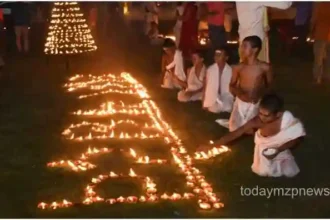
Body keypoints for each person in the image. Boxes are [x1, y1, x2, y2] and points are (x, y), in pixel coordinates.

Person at [198, 94, 306, 178]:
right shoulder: (256, 122)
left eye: (266, 116)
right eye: (260, 113)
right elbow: (236, 133)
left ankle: (283, 155)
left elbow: (296, 139)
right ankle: (275, 157)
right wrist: (212, 146)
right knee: (263, 172)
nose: (262, 117)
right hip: (264, 147)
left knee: (290, 172)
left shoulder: (287, 119)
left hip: (282, 145)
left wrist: (278, 149)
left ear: (278, 114)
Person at [229, 36, 272, 132]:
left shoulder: (264, 67)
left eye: (245, 46)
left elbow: (270, 85)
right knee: (233, 128)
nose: (241, 49)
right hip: (241, 102)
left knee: (252, 129)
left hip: (255, 102)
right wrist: (240, 93)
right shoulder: (238, 67)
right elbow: (232, 85)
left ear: (255, 49)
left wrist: (259, 94)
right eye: (241, 46)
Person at [203, 48, 233, 113]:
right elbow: (205, 86)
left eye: (219, 55)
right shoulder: (210, 70)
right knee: (214, 109)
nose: (216, 57)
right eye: (215, 55)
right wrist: (203, 100)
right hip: (213, 96)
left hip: (226, 96)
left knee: (228, 107)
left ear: (226, 58)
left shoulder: (231, 71)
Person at [310, 2, 330, 84]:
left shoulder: (318, 3)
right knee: (328, 57)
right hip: (327, 33)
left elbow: (314, 18)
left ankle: (318, 77)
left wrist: (311, 31)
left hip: (320, 33)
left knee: (318, 57)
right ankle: (327, 76)